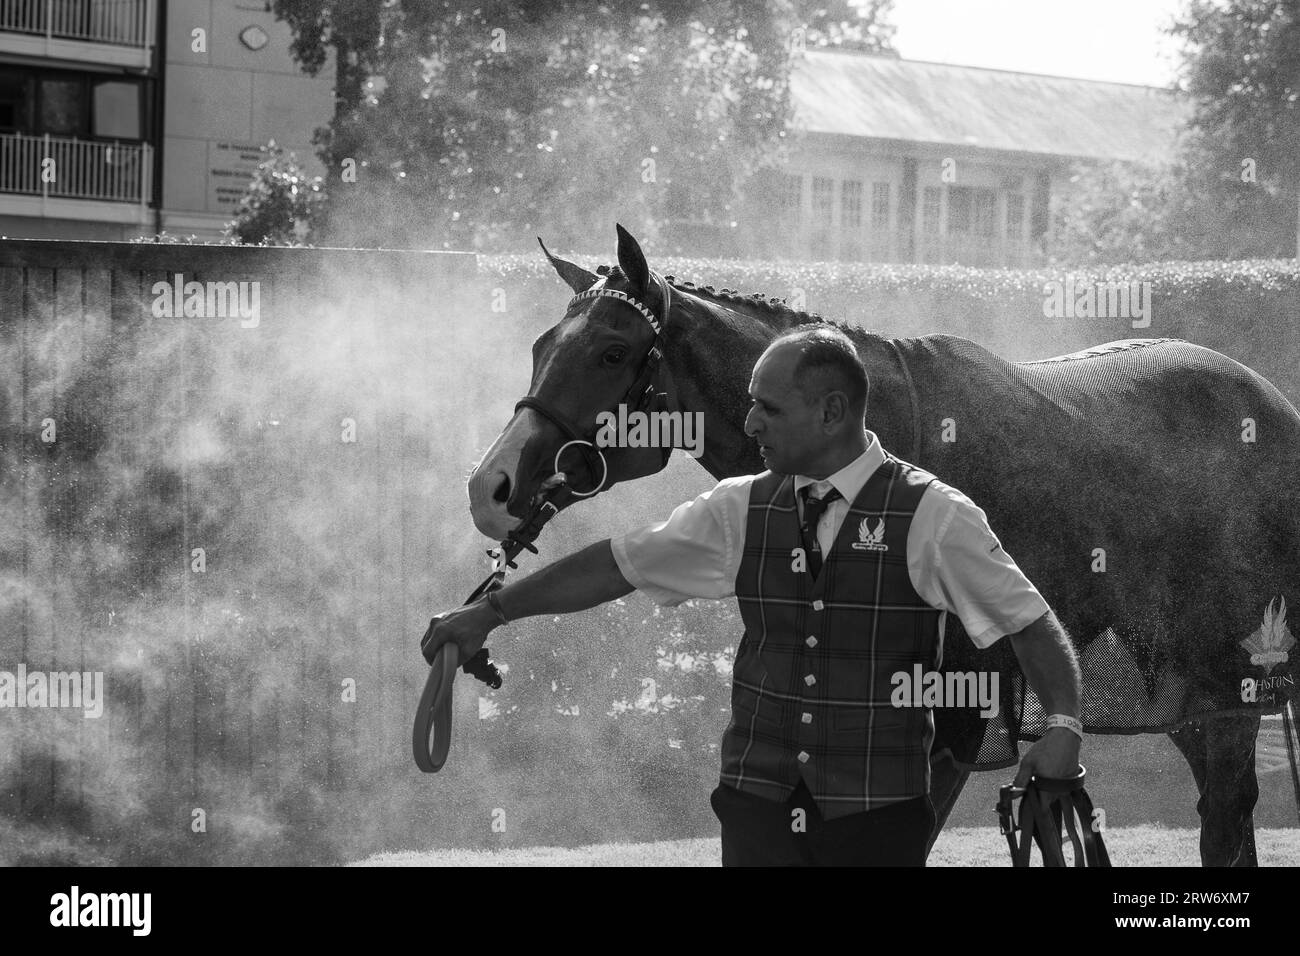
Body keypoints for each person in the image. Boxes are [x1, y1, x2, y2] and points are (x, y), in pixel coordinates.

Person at [423, 324, 1083, 866]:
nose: (748, 422)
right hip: (756, 812)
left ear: (831, 412)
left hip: (878, 824)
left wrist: (1062, 729)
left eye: (769, 408)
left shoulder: (937, 516)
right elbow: (618, 565)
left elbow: (1029, 623)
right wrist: (490, 610)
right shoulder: (738, 506)